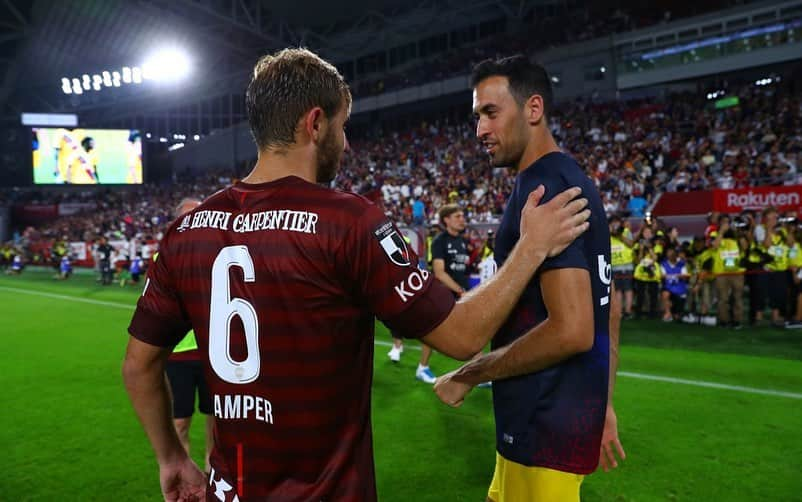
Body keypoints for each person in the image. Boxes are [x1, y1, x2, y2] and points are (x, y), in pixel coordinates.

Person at [122, 48, 591, 501]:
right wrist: (531, 247)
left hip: (231, 489)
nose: (346, 144)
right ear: (316, 123)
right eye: (343, 127)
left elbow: (139, 365)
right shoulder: (350, 222)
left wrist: (171, 459)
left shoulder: (187, 230)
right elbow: (463, 334)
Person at [433, 55, 621, 502]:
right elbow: (609, 307)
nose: (479, 130)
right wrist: (604, 402)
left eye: (490, 113)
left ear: (533, 109)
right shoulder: (564, 177)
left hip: (544, 428)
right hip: (551, 421)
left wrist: (471, 372)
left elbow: (573, 330)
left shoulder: (544, 189)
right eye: (477, 116)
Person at [164, 197, 215, 473]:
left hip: (213, 351)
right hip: (179, 354)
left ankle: (211, 463)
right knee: (181, 419)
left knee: (214, 415)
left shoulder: (219, 255)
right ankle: (183, 470)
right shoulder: (165, 257)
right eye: (189, 217)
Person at [660, 247, 690, 322]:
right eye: (669, 253)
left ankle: (677, 314)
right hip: (669, 287)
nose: (671, 255)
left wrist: (674, 275)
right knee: (665, 293)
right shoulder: (664, 264)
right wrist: (676, 275)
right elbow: (663, 275)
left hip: (680, 289)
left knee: (677, 316)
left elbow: (685, 275)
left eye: (673, 254)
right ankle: (668, 313)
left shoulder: (682, 264)